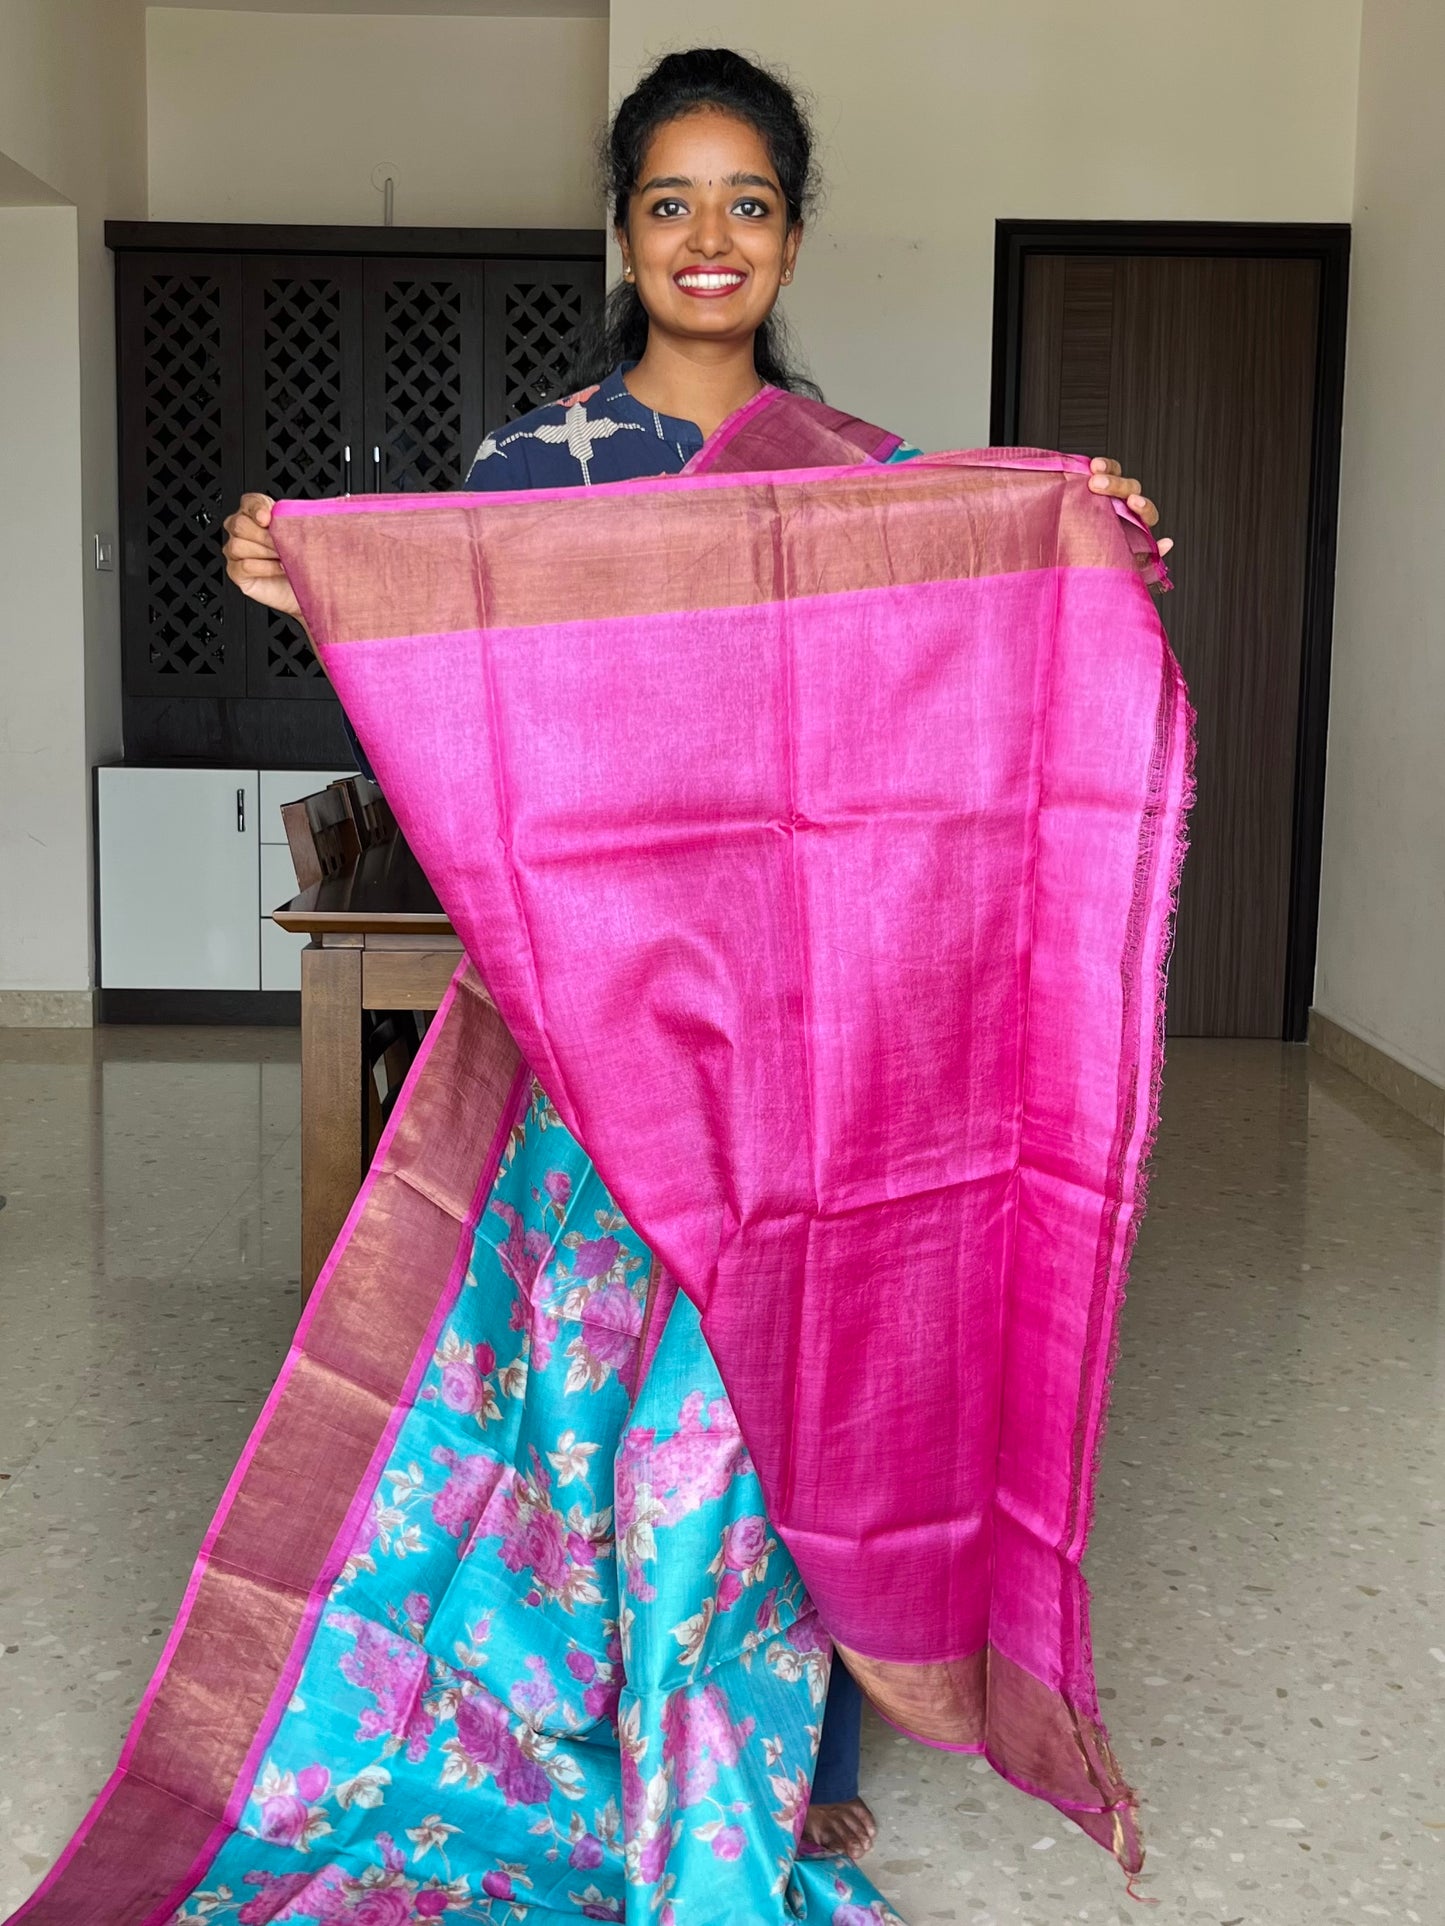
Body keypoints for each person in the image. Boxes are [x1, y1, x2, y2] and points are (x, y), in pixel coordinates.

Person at [221, 47, 1165, 1875]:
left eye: (747, 203)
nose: (707, 238)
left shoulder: (867, 484)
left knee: (756, 1413)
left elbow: (943, 734)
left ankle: (755, 1746)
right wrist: (317, 579)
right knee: (587, 1436)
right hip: (591, 1048)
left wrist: (1081, 550)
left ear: (792, 238)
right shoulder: (529, 472)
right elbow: (464, 724)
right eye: (671, 202)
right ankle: (573, 1733)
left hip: (795, 1071)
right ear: (625, 231)